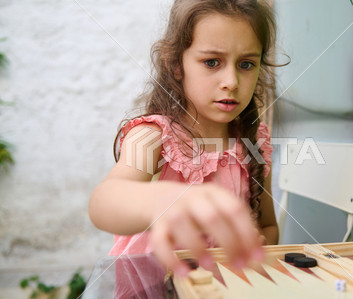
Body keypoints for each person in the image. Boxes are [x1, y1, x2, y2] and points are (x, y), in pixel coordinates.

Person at [89, 0, 283, 277]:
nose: (232, 81)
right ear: (176, 64)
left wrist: (257, 245)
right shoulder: (153, 135)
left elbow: (268, 227)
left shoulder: (255, 142)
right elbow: (102, 203)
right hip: (152, 296)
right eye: (212, 62)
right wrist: (161, 199)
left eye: (246, 64)